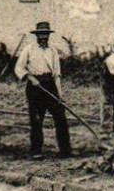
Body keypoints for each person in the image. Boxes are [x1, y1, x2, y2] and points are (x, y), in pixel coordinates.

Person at [13, 22, 71, 158]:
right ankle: (36, 151)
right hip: (35, 87)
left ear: (49, 35)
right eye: (41, 34)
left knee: (60, 117)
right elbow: (19, 68)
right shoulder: (29, 49)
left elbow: (57, 74)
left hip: (50, 84)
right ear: (36, 35)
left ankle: (65, 150)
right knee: (37, 119)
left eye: (46, 34)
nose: (43, 37)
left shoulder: (53, 51)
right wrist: (29, 77)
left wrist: (60, 95)